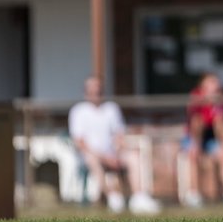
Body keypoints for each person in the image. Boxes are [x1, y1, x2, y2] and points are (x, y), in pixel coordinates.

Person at [67, 76, 161, 214]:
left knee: (134, 156)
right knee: (91, 159)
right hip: (91, 155)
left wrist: (118, 152)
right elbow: (80, 143)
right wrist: (104, 158)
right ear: (86, 92)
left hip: (112, 153)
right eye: (92, 91)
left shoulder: (112, 108)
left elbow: (119, 136)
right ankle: (113, 197)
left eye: (98, 91)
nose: (95, 94)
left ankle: (139, 197)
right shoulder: (78, 111)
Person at [182, 72, 223, 207]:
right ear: (202, 85)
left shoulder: (220, 101)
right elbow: (196, 125)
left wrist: (220, 125)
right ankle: (194, 194)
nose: (215, 86)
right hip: (194, 135)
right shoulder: (196, 98)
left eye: (216, 82)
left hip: (211, 136)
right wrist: (196, 145)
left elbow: (222, 130)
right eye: (211, 82)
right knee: (193, 155)